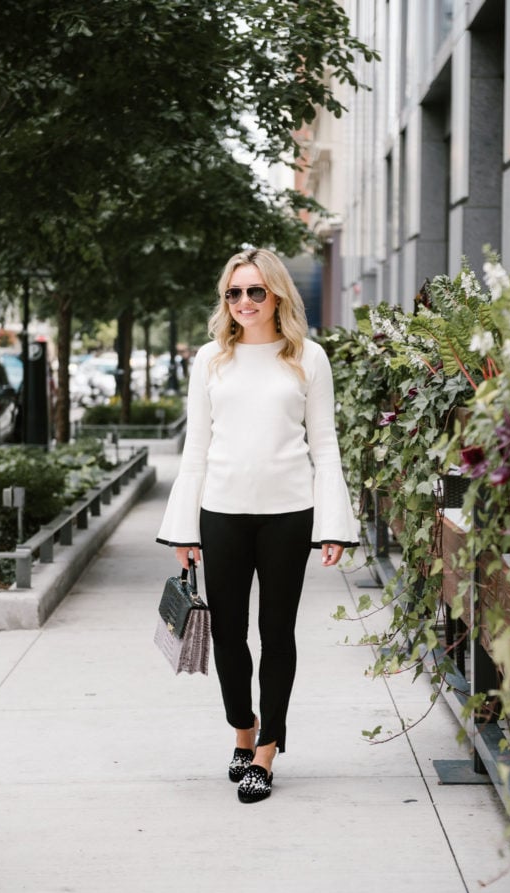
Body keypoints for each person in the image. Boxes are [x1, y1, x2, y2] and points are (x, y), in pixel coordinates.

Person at [157, 248, 358, 803]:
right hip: (219, 513)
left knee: (277, 634)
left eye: (255, 292)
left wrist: (333, 523)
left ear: (277, 295)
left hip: (288, 516)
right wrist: (183, 530)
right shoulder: (210, 361)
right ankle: (242, 733)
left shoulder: (308, 358)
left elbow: (325, 443)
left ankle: (266, 753)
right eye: (234, 293)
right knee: (228, 635)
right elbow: (195, 446)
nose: (244, 302)